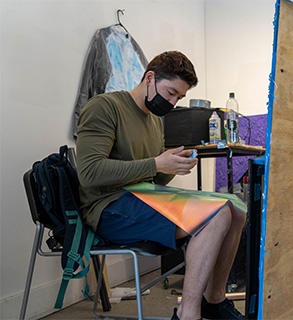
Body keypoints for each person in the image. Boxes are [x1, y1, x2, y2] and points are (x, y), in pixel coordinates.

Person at [76, 51, 246, 320]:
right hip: (108, 208)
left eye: (179, 97)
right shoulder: (104, 107)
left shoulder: (155, 120)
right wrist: (157, 164)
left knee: (235, 207)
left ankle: (214, 300)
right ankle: (187, 313)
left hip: (143, 197)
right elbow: (89, 172)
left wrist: (172, 165)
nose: (173, 102)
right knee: (215, 214)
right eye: (170, 93)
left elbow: (151, 177)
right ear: (150, 78)